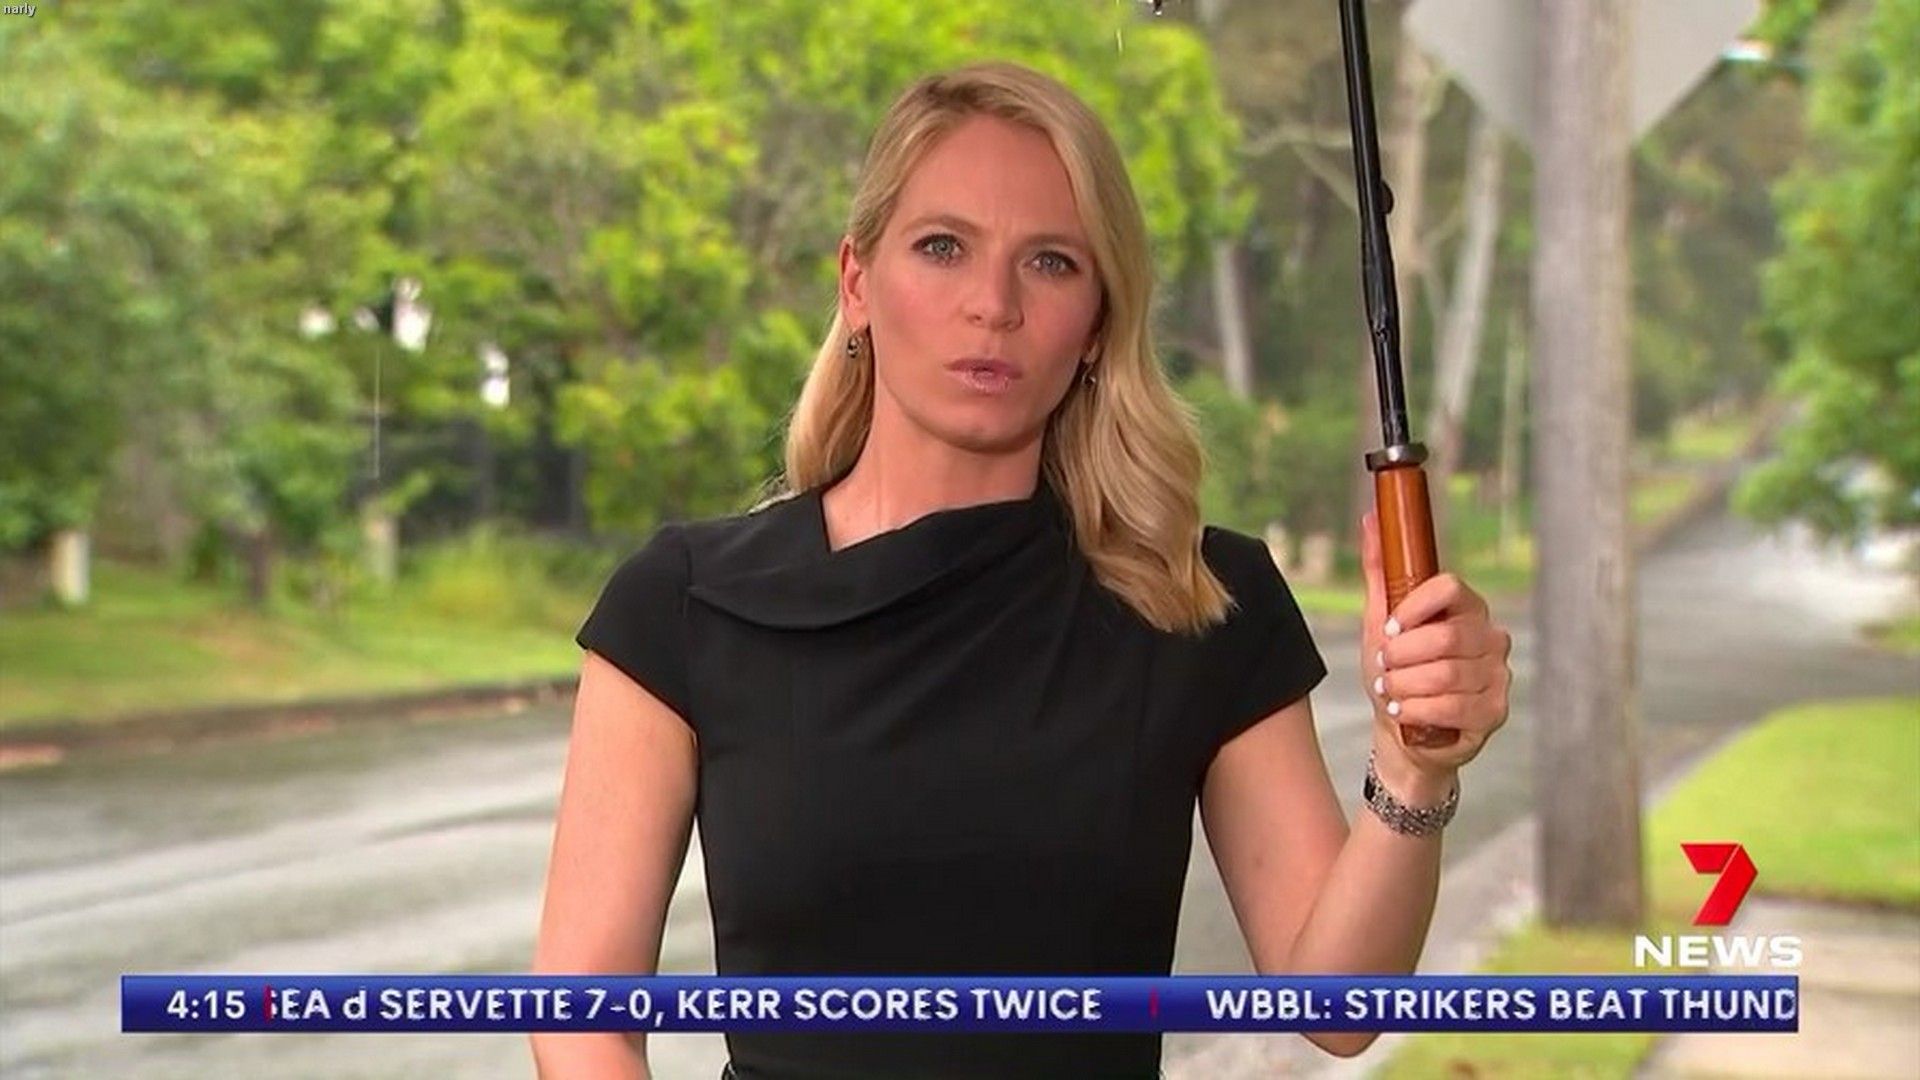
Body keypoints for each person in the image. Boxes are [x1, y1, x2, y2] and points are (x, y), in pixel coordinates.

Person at [531, 60, 1513, 1080]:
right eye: (943, 247)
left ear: (1098, 324)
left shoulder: (1197, 602)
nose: (993, 304)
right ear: (857, 284)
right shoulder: (684, 605)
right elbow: (580, 1018)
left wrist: (1415, 769)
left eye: (1050, 262)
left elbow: (1340, 1010)